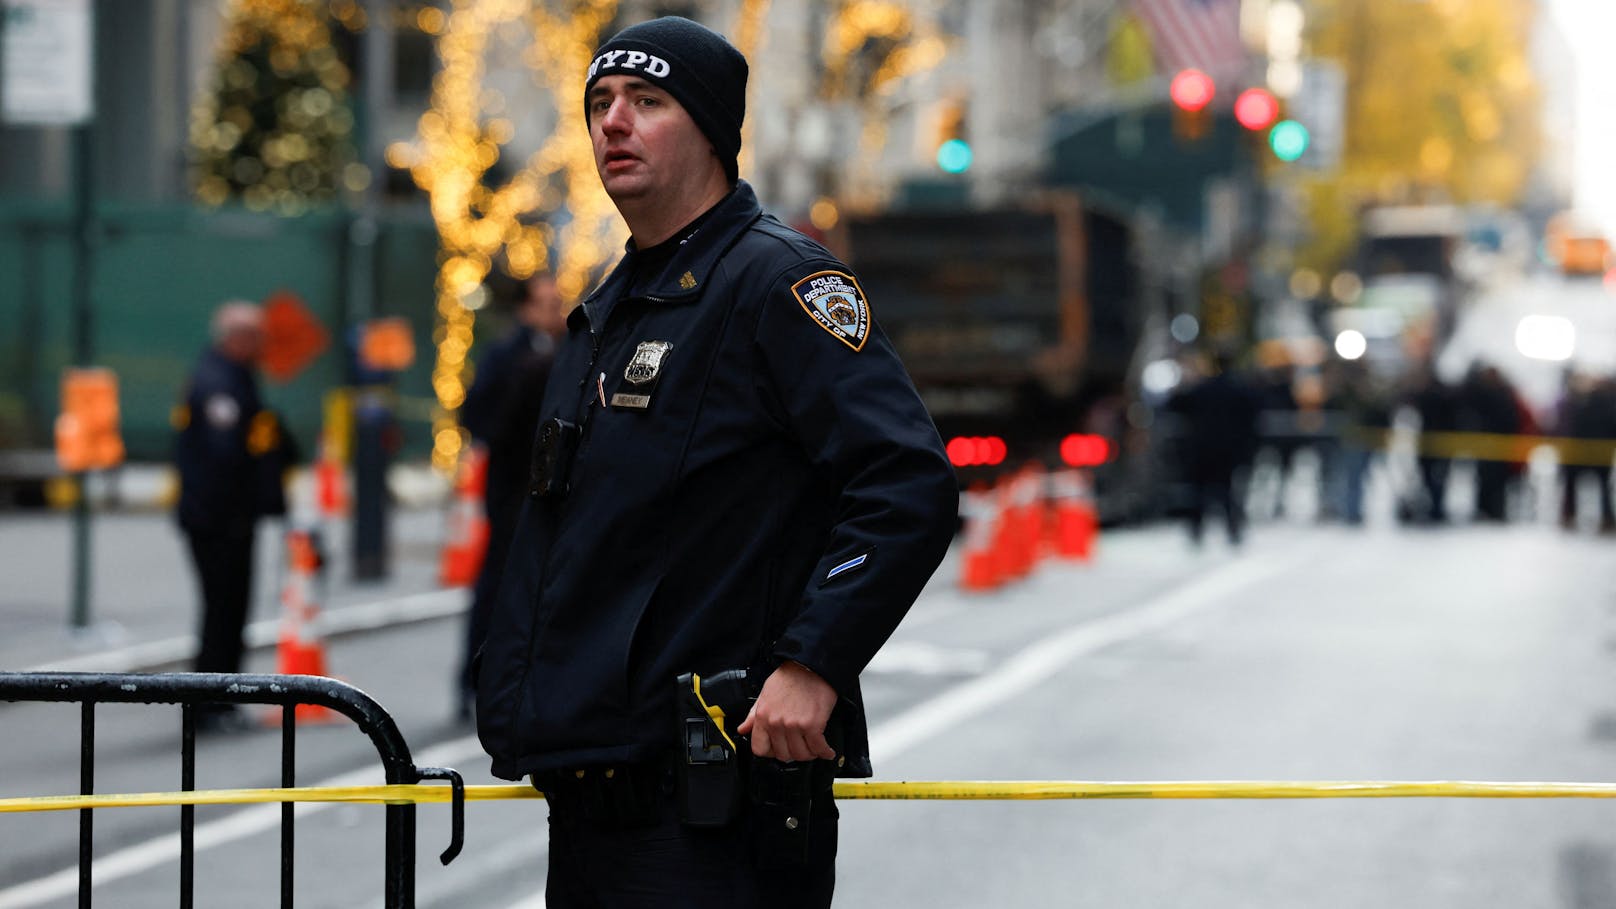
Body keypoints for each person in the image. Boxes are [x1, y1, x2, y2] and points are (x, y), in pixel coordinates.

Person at [474, 16, 957, 907]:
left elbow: (906, 484)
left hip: (715, 807)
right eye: (601, 103)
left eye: (647, 102)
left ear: (709, 129)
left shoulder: (780, 283)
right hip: (591, 796)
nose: (613, 122)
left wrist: (813, 664)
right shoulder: (611, 308)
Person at [173, 300, 294, 730]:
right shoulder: (219, 382)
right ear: (236, 337)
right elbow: (223, 457)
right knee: (222, 609)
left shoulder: (234, 377)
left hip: (227, 516)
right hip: (218, 519)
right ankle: (208, 702)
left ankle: (222, 698)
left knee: (230, 609)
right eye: (254, 336)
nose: (261, 345)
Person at [455, 271, 567, 717]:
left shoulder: (556, 348)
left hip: (531, 492)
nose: (556, 311)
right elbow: (479, 416)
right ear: (527, 306)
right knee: (499, 587)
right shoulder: (512, 355)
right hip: (513, 494)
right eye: (548, 302)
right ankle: (476, 681)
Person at [1166, 348, 1261, 546]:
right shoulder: (1240, 389)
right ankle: (1232, 529)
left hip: (1203, 447)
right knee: (1227, 490)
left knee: (1200, 491)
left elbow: (1175, 403)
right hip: (1228, 449)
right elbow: (1255, 413)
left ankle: (1196, 529)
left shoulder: (1202, 388)